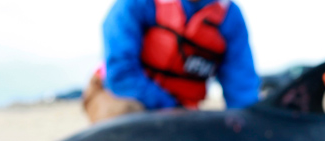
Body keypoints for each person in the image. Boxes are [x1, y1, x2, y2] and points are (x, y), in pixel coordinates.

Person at [83, 0, 260, 123]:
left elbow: (242, 93)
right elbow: (120, 74)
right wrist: (171, 107)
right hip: (116, 94)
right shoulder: (137, 4)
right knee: (129, 117)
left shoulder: (230, 17)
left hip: (182, 112)